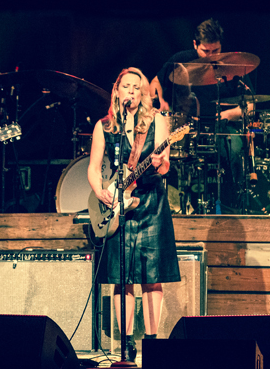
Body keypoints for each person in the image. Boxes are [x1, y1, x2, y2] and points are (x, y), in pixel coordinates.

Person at [88, 68, 181, 362]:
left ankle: (152, 340)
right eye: (125, 86)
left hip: (150, 201)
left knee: (152, 276)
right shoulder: (105, 125)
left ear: (142, 93)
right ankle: (126, 344)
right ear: (116, 90)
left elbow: (164, 166)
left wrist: (159, 163)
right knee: (121, 277)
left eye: (135, 87)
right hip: (119, 205)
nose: (130, 91)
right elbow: (93, 167)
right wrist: (100, 190)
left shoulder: (158, 121)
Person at [150, 18, 256, 212]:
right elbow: (155, 81)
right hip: (185, 128)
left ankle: (233, 205)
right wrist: (159, 102)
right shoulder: (181, 59)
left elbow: (250, 105)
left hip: (222, 128)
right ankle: (173, 207)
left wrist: (227, 114)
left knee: (234, 150)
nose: (211, 56)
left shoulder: (234, 65)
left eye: (215, 51)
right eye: (205, 51)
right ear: (195, 45)